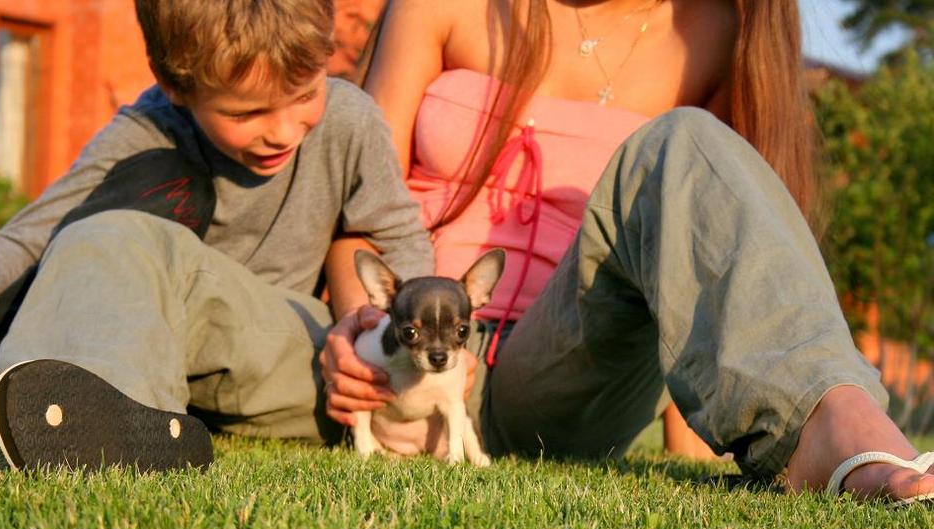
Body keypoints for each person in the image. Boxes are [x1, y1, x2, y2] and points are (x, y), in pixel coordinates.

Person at [318, 0, 934, 502]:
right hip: (412, 341)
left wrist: (691, 446)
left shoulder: (711, 31)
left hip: (568, 370)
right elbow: (360, 211)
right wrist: (363, 330)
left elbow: (706, 250)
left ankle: (831, 421)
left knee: (684, 139)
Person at [0, 0, 432, 468]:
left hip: (288, 349)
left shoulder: (350, 120)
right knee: (96, 236)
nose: (283, 130)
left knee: (113, 240)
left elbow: (399, 239)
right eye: (246, 112)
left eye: (306, 94)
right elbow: (37, 227)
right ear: (175, 87)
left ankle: (15, 381)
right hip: (164, 355)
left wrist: (381, 338)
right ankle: (91, 410)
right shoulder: (149, 129)